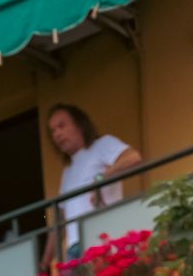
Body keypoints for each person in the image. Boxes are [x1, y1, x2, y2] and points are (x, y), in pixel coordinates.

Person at [47, 104, 141, 254]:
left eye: (61, 126)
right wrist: (45, 260)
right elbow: (60, 221)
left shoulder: (101, 145)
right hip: (75, 248)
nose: (57, 134)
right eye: (53, 131)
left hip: (101, 238)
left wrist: (101, 179)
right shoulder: (67, 171)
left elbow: (133, 157)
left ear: (80, 125)